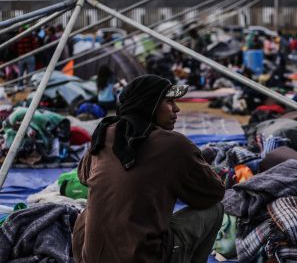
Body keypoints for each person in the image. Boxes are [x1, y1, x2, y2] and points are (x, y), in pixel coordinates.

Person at [72, 75, 225, 263]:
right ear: (149, 104)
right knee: (215, 210)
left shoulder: (104, 132)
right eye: (169, 102)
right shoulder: (174, 145)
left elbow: (84, 176)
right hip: (144, 257)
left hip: (90, 257)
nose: (177, 109)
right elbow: (213, 193)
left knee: (100, 208)